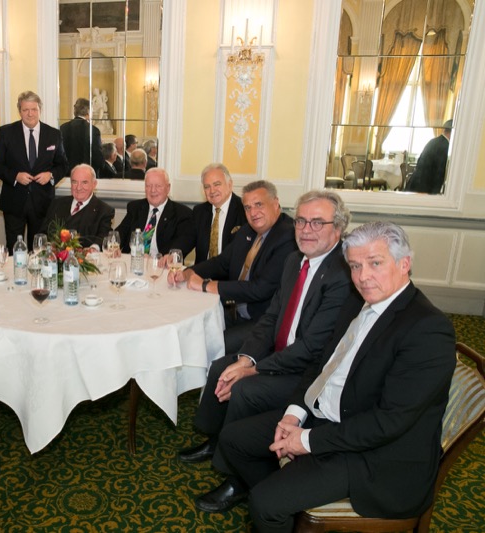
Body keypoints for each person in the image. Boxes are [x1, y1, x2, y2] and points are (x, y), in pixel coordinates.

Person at [218, 221, 456, 533]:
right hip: (329, 415)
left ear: (404, 264)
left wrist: (307, 440)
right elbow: (322, 364)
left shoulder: (428, 329)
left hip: (374, 454)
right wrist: (294, 414)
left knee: (264, 503)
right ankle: (288, 504)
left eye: (375, 263)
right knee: (233, 440)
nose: (363, 276)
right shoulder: (357, 301)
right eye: (355, 266)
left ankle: (277, 505)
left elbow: (388, 422)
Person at [179, 190, 353, 515]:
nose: (306, 229)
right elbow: (272, 318)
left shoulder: (343, 275)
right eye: (301, 221)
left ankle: (237, 479)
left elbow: (312, 348)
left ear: (338, 229)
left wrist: (255, 369)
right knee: (222, 366)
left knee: (244, 388)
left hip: (311, 372)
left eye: (317, 222)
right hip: (283, 351)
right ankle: (218, 440)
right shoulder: (295, 261)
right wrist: (246, 359)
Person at [169, 181, 297, 355]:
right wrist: (188, 272)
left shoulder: (288, 236)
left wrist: (206, 285)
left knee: (208, 346)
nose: (253, 213)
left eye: (259, 205)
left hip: (262, 321)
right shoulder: (247, 231)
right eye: (247, 207)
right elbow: (222, 262)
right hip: (233, 309)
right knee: (187, 327)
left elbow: (259, 289)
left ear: (275, 203)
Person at [0, 90, 68, 249]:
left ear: (40, 110)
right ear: (20, 111)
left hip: (43, 203)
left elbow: (63, 165)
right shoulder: (6, 132)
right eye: (25, 110)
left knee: (39, 250)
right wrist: (15, 176)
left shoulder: (53, 134)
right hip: (14, 202)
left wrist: (50, 175)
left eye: (34, 109)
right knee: (14, 249)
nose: (30, 114)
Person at [115, 168, 195, 256]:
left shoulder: (182, 214)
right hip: (133, 260)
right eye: (148, 186)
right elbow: (120, 233)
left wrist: (167, 256)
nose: (153, 190)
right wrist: (114, 246)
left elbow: (182, 244)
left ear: (168, 188)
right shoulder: (135, 207)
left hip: (160, 262)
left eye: (158, 186)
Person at [41, 164, 115, 248]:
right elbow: (43, 233)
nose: (78, 188)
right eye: (74, 182)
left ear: (94, 184)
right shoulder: (57, 203)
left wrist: (93, 249)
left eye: (84, 182)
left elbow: (103, 238)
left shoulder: (104, 211)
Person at [192, 163, 246, 263]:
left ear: (229, 185)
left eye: (217, 184)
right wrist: (172, 254)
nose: (212, 191)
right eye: (207, 187)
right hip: (202, 271)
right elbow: (187, 239)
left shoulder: (244, 210)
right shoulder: (199, 211)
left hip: (231, 272)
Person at [404, 119, 452, 195]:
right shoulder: (445, 146)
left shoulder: (433, 141)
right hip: (424, 187)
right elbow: (439, 172)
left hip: (415, 182)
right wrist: (435, 193)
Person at [61, 98, 105, 177]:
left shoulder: (63, 128)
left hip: (66, 176)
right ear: (88, 112)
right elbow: (98, 158)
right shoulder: (93, 130)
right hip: (86, 176)